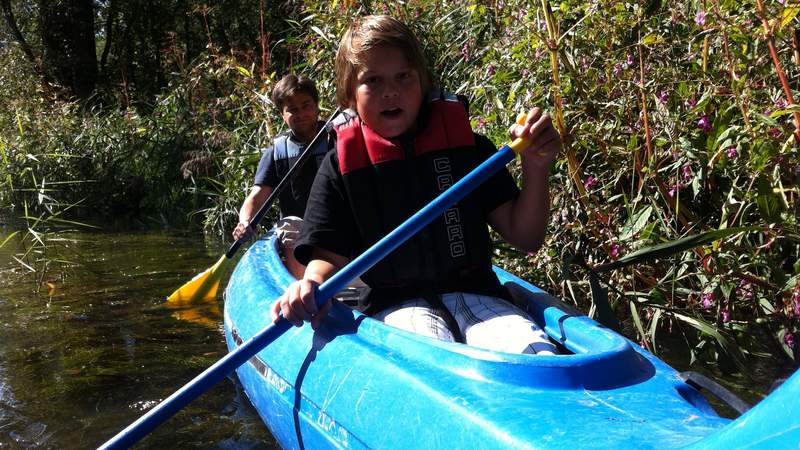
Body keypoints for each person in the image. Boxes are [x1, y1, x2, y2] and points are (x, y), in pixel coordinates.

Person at [272, 15, 562, 355]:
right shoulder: (340, 166)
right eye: (373, 81)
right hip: (397, 305)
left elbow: (526, 235)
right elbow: (326, 258)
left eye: (403, 77)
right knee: (432, 356)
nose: (390, 91)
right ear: (350, 97)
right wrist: (311, 284)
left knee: (536, 355)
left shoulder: (467, 147)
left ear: (422, 82)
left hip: (480, 296)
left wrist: (536, 165)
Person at [233, 74, 331, 279]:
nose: (302, 113)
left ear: (316, 105)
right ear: (282, 114)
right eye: (293, 110)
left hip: (335, 225)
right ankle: (303, 284)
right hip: (298, 231)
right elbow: (257, 196)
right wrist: (244, 222)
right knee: (291, 225)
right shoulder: (277, 152)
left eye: (306, 105)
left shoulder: (337, 138)